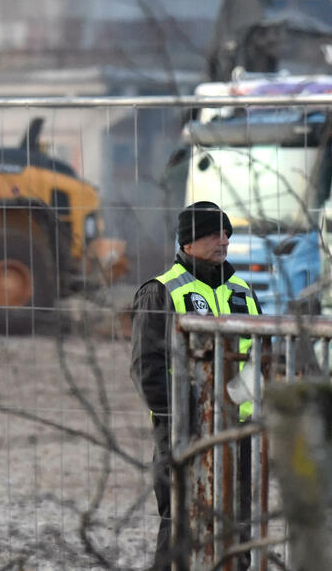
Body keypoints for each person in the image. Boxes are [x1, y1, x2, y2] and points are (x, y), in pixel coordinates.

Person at [130, 201, 260, 570]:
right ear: (187, 242)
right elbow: (147, 368)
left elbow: (263, 356)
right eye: (213, 234)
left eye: (227, 234)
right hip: (182, 432)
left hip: (236, 430)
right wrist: (179, 418)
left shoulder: (243, 290)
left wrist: (237, 405)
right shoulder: (161, 292)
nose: (224, 241)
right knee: (181, 528)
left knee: (236, 528)